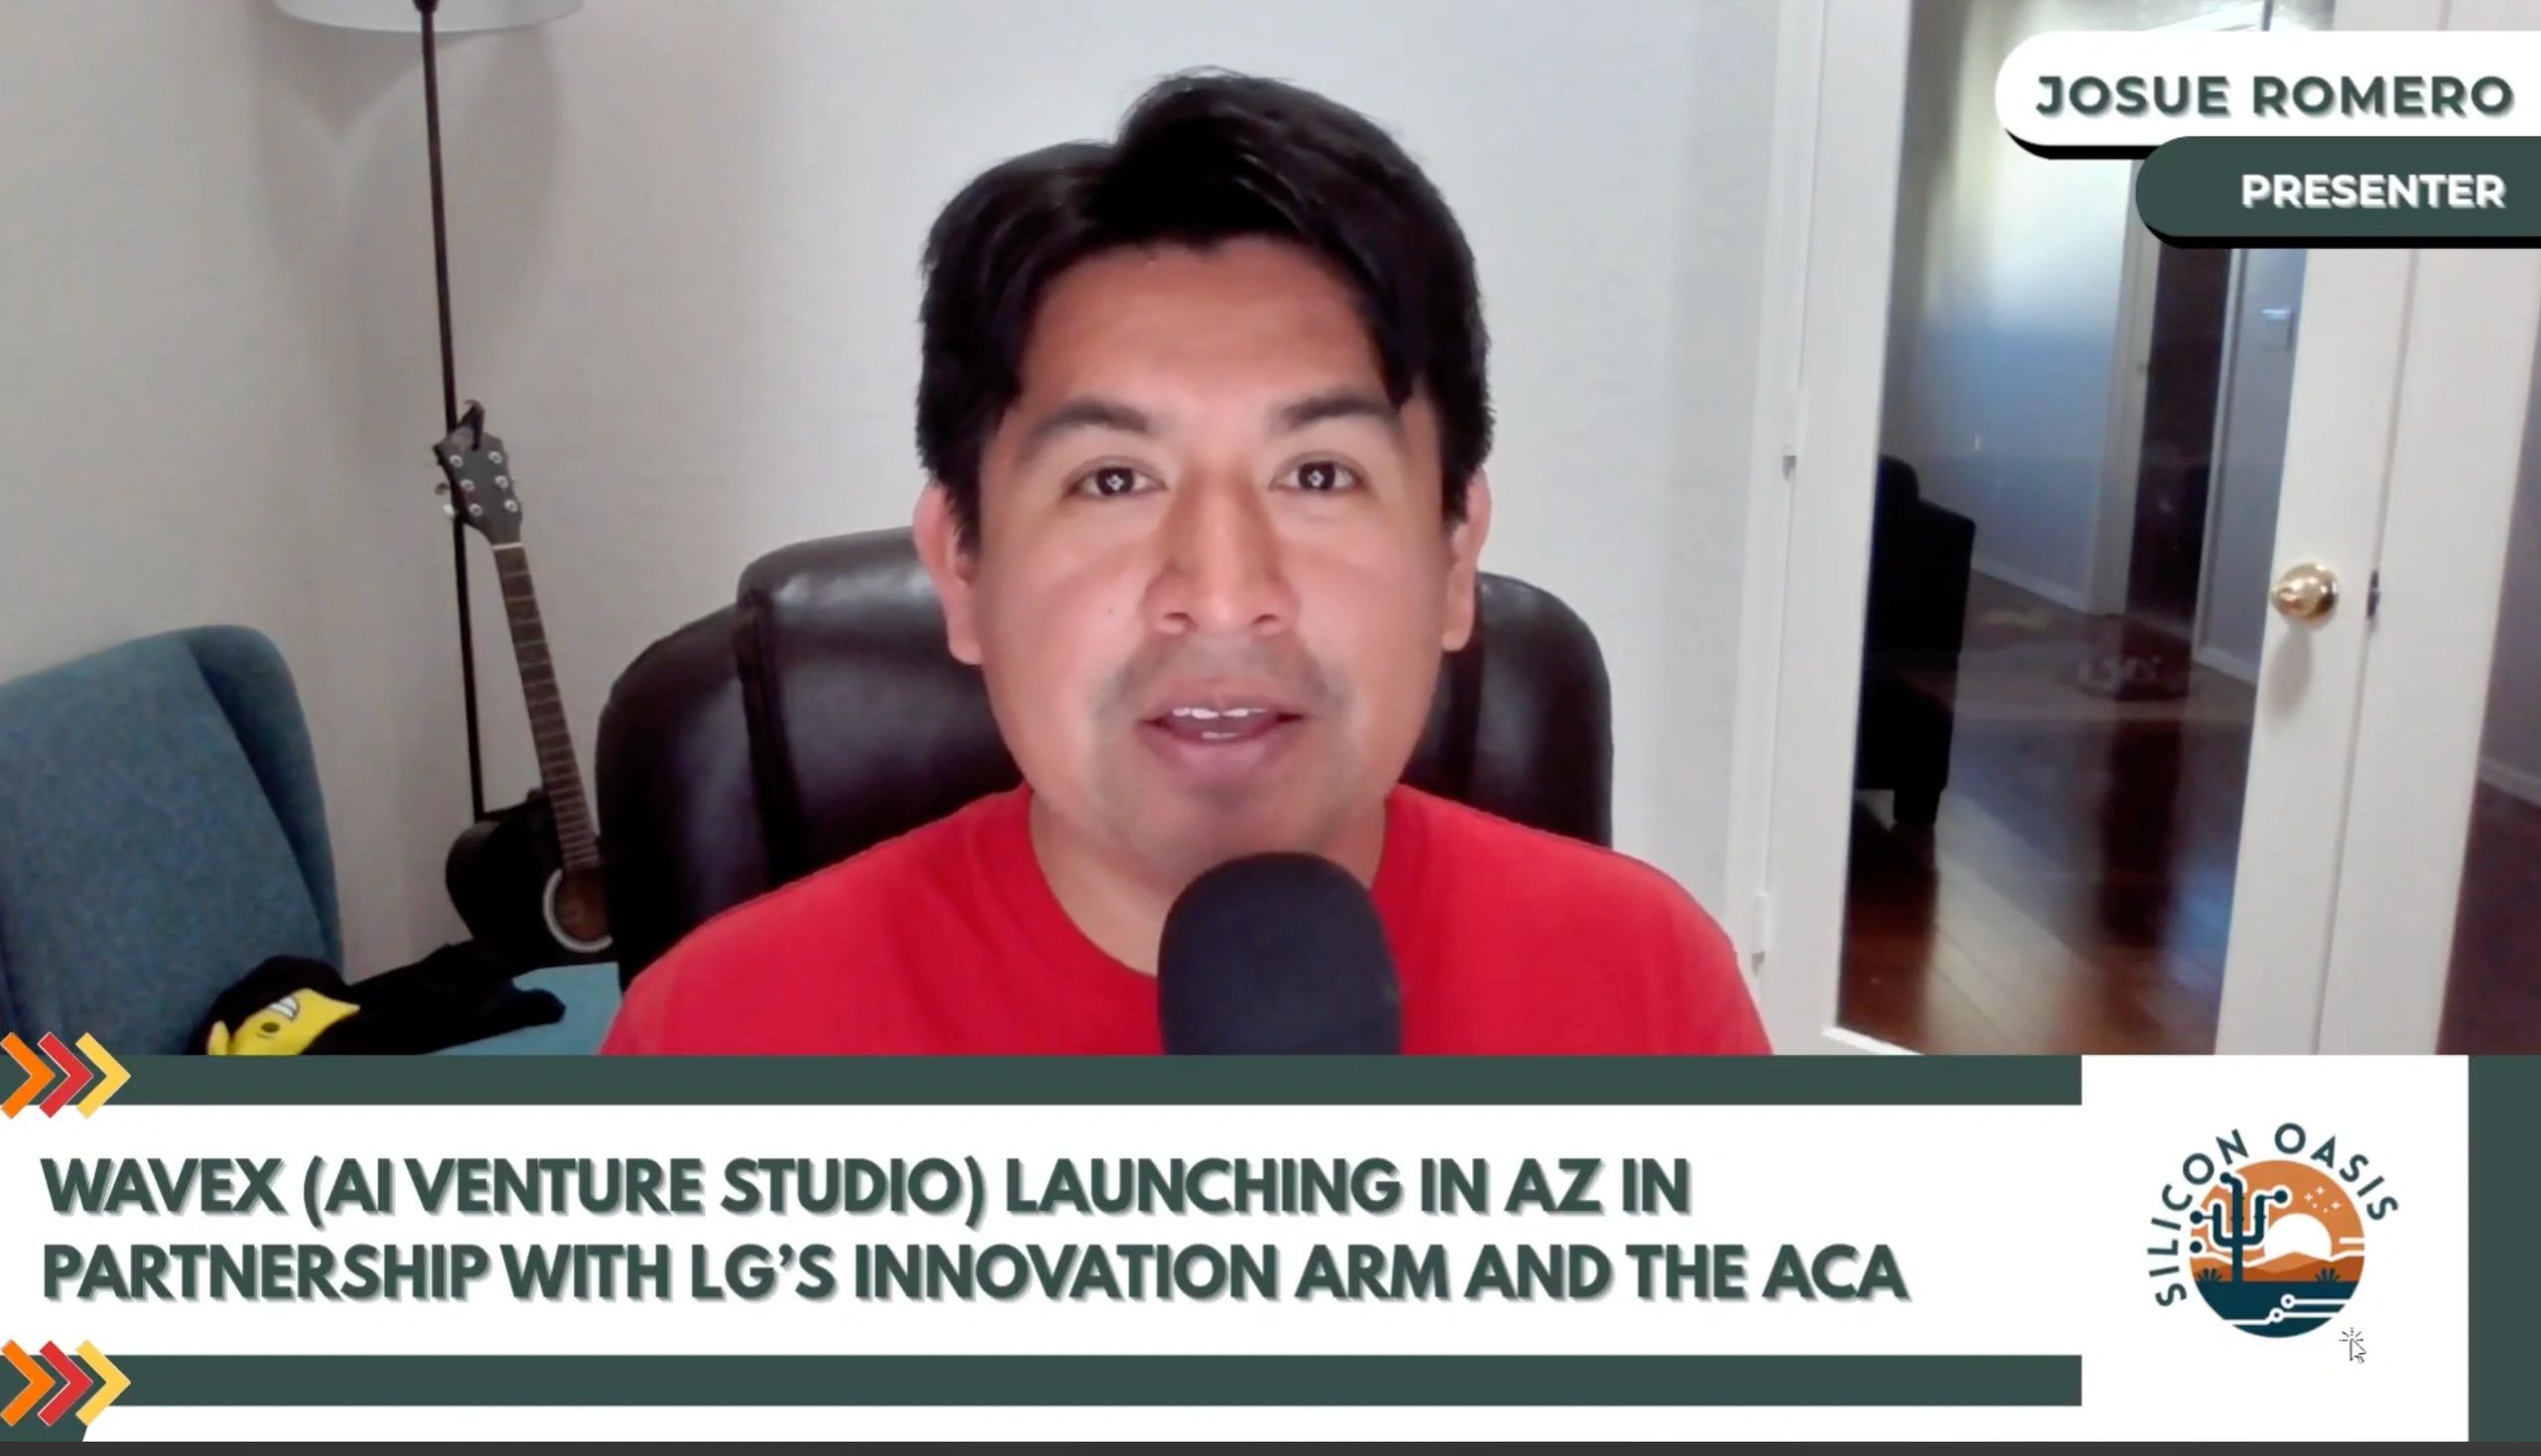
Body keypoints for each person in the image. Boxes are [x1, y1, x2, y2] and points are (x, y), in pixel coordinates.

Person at [602, 72, 1769, 1055]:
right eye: (1112, 480)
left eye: (1318, 475)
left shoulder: (1653, 996)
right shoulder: (716, 1037)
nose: (1221, 595)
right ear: (962, 567)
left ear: (1455, 557)